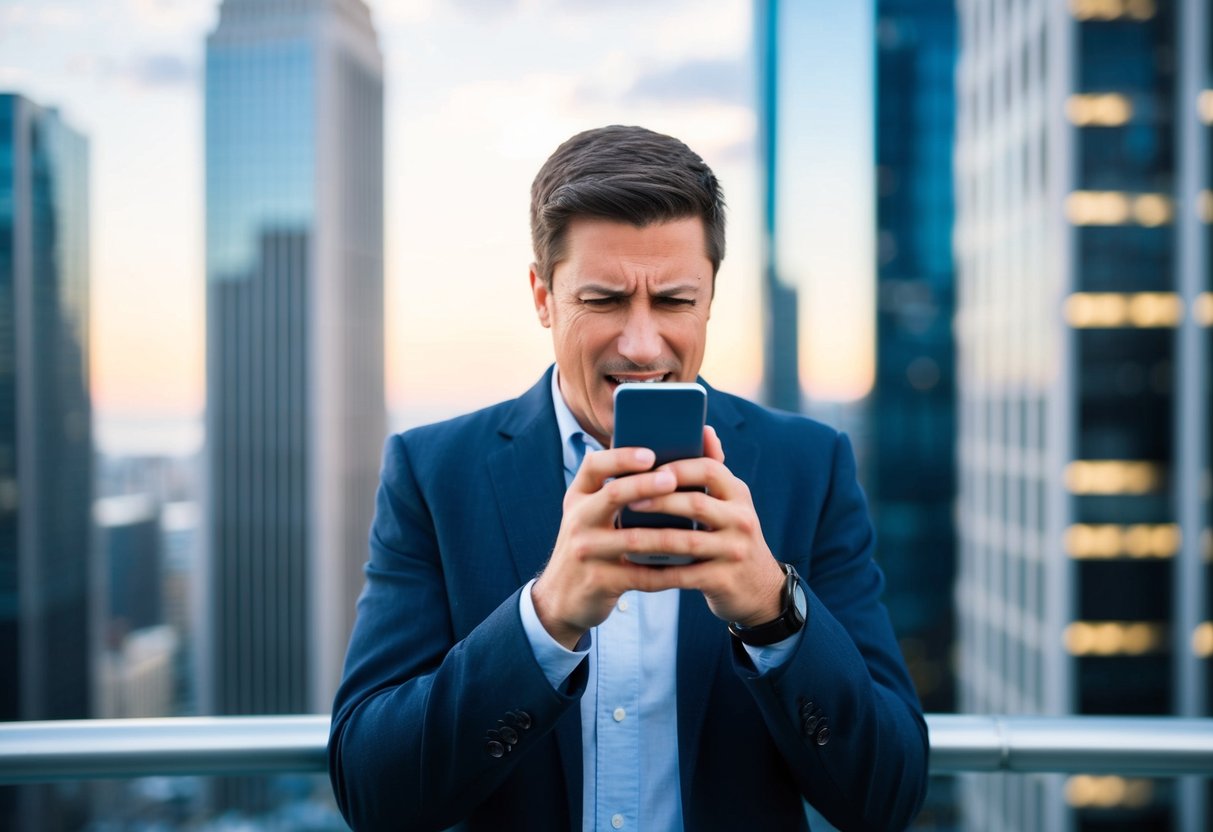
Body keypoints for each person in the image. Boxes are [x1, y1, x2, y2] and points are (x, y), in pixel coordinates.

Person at [328, 125, 928, 831]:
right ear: (542, 296)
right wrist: (544, 620)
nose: (641, 346)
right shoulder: (432, 474)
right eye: (604, 300)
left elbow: (887, 797)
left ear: (709, 298)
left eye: (673, 300)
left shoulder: (808, 465)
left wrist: (773, 609)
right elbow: (373, 793)